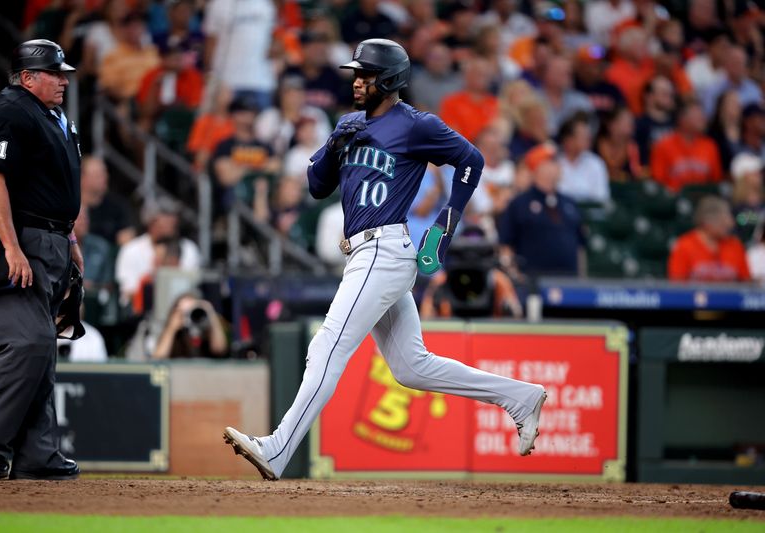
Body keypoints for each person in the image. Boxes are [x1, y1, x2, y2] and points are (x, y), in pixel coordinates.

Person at [222, 39, 546, 481]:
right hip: (364, 251)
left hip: (385, 249)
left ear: (390, 80)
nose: (357, 81)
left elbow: (471, 160)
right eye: (356, 74)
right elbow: (317, 187)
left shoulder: (415, 126)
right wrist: (334, 144)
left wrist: (445, 224)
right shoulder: (349, 123)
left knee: (327, 344)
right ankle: (520, 397)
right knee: (412, 366)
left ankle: (278, 449)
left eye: (366, 75)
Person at [0, 40, 83, 480]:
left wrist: (70, 237)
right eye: (54, 73)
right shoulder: (9, 111)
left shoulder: (51, 116)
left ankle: (38, 454)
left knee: (43, 351)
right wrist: (12, 247)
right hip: (14, 240)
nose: (63, 80)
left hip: (49, 238)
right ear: (28, 77)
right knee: (30, 343)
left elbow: (53, 186)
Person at [499, 143, 586, 277]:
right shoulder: (520, 203)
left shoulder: (569, 203)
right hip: (532, 281)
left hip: (569, 281)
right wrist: (514, 275)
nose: (557, 166)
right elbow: (506, 245)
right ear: (538, 167)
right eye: (551, 162)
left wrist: (582, 278)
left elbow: (579, 246)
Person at [668, 196, 751, 282]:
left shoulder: (735, 245)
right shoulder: (684, 246)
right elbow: (677, 287)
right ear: (707, 221)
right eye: (723, 220)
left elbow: (746, 284)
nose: (730, 224)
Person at [650, 100, 723, 192]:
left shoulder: (710, 146)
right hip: (672, 202)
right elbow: (658, 183)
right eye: (697, 116)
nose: (703, 119)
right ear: (682, 119)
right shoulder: (663, 146)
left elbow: (716, 182)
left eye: (702, 115)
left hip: (702, 200)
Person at [557, 113, 610, 204]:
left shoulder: (596, 163)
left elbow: (602, 198)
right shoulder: (553, 162)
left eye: (588, 135)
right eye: (582, 136)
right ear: (568, 140)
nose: (588, 139)